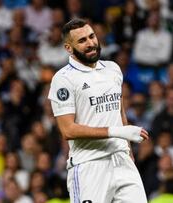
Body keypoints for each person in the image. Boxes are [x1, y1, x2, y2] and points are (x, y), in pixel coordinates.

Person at [48, 18, 149, 203]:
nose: (91, 43)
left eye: (92, 36)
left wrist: (127, 149)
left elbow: (119, 111)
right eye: (82, 40)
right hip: (89, 165)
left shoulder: (113, 69)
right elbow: (68, 130)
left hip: (122, 161)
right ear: (68, 48)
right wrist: (117, 132)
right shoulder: (63, 79)